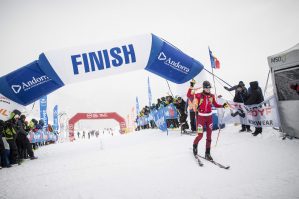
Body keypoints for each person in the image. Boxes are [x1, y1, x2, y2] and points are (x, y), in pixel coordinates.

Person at [187, 80, 228, 161]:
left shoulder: (212, 96)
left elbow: (215, 104)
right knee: (200, 135)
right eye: (206, 88)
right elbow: (189, 95)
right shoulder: (198, 95)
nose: (208, 89)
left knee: (209, 137)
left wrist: (223, 106)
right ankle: (195, 147)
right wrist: (191, 86)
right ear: (204, 88)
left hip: (209, 118)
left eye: (209, 88)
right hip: (201, 118)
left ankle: (207, 153)